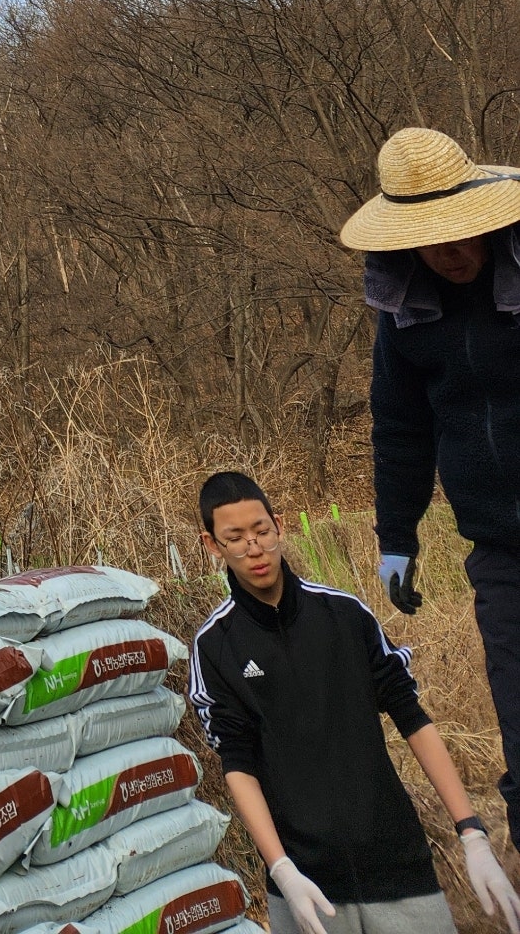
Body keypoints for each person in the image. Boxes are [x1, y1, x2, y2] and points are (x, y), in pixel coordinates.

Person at [189, 469, 520, 934]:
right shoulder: (216, 645)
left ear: (279, 525)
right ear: (212, 545)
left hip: (398, 868)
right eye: (236, 538)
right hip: (306, 885)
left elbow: (412, 717)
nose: (254, 549)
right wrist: (281, 869)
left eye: (261, 531)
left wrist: (471, 832)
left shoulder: (343, 615)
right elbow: (236, 761)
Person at [340, 125, 520, 854]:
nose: (448, 255)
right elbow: (401, 431)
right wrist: (395, 540)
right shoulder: (404, 314)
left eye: (459, 237)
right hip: (499, 550)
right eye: (429, 240)